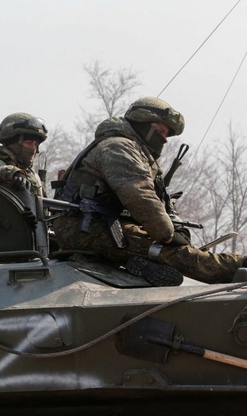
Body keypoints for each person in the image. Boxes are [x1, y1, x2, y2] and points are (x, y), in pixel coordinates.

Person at [53, 97, 246, 285]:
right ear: (142, 124)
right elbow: (140, 196)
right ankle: (238, 266)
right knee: (168, 252)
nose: (164, 139)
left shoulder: (137, 153)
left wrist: (175, 227)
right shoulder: (117, 147)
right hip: (83, 228)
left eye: (166, 134)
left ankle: (141, 264)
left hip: (100, 225)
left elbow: (157, 200)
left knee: (161, 248)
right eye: (160, 131)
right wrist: (167, 234)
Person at [0, 112, 48, 197]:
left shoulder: (32, 175)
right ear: (13, 143)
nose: (33, 149)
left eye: (36, 144)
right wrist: (9, 172)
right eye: (28, 142)